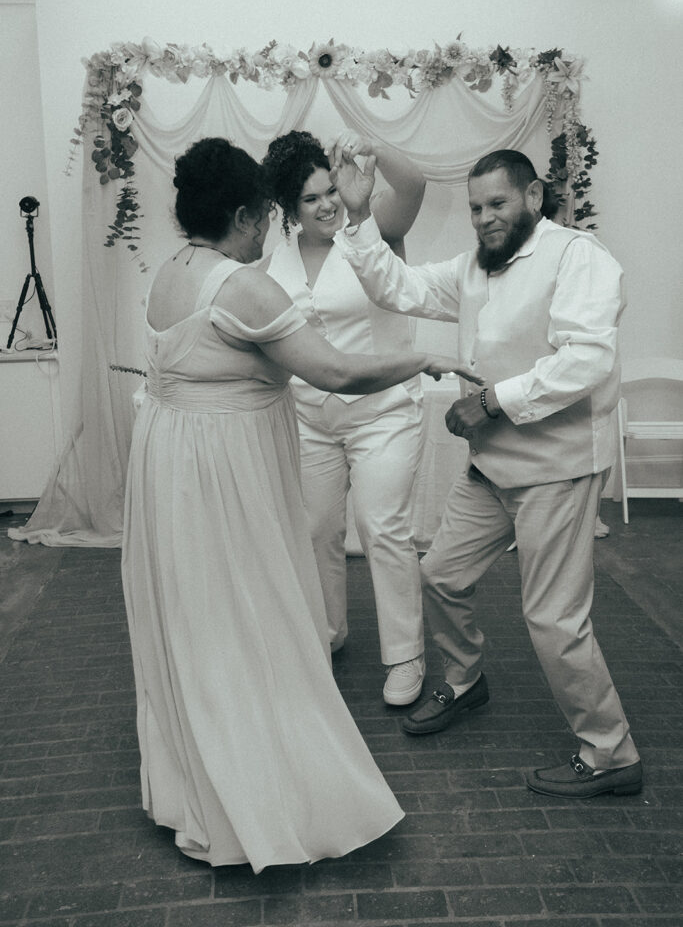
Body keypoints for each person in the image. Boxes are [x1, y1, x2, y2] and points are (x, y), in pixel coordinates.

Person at [121, 136, 481, 872]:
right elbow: (335, 372)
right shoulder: (244, 283)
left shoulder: (171, 271)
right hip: (221, 473)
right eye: (268, 215)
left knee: (201, 612)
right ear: (250, 213)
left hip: (172, 465)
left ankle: (200, 758)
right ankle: (253, 777)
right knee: (246, 604)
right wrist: (426, 355)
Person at [335, 147, 642, 800]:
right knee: (441, 573)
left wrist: (491, 400)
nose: (483, 218)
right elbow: (401, 288)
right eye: (475, 207)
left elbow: (585, 360)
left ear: (533, 196)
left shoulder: (576, 257)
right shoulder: (476, 266)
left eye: (496, 203)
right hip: (491, 462)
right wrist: (359, 216)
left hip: (555, 469)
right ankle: (465, 680)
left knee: (553, 619)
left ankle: (609, 752)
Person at [261, 129, 429, 706]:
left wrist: (374, 145)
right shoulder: (274, 262)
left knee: (383, 529)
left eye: (330, 189)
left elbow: (416, 183)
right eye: (311, 199)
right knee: (316, 531)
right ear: (288, 209)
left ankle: (405, 655)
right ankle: (328, 632)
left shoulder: (372, 229)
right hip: (309, 418)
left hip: (383, 412)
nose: (328, 203)